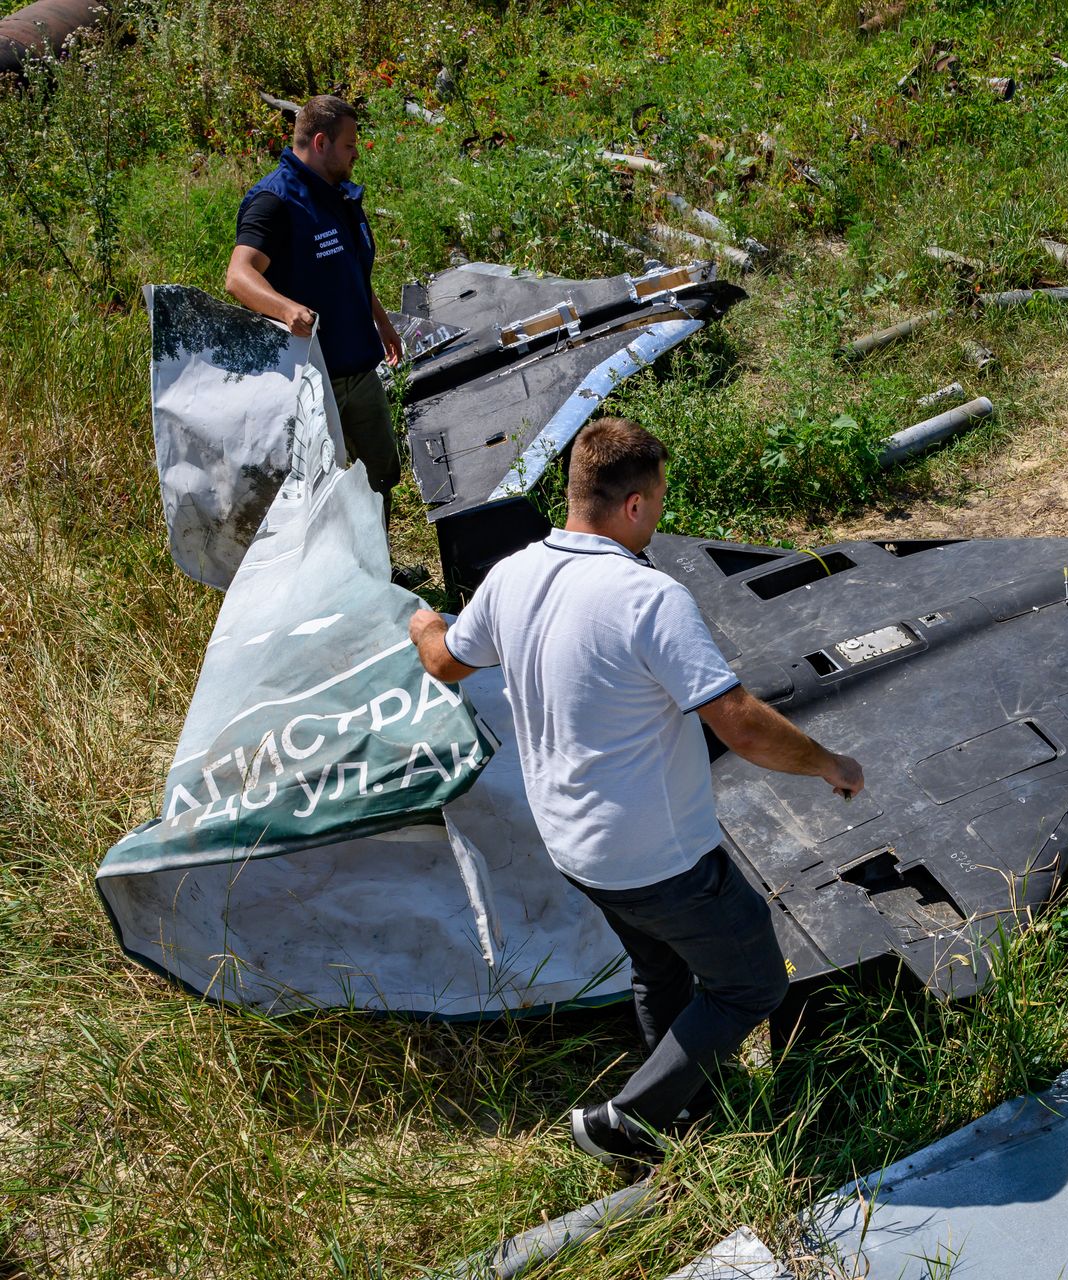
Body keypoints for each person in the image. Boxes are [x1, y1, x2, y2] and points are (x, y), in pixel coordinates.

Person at [407, 417, 865, 1166]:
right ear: (633, 507)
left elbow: (445, 662)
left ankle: (687, 1107)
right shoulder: (648, 597)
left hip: (570, 842)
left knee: (658, 967)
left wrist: (425, 621)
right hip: (658, 857)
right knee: (751, 985)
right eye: (657, 500)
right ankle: (626, 1123)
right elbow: (741, 725)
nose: (658, 513)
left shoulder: (512, 576)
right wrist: (830, 764)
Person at [226, 95, 406, 524]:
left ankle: (378, 573)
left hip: (359, 368)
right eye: (349, 144)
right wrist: (286, 309)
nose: (356, 153)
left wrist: (381, 323)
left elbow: (351, 271)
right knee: (320, 495)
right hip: (311, 380)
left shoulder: (338, 196)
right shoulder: (276, 201)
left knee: (381, 474)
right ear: (321, 141)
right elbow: (239, 274)